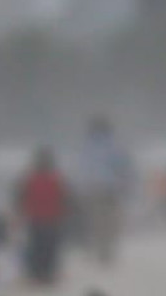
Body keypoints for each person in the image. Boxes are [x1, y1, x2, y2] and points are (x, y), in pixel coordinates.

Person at [72, 116, 133, 266]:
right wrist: (125, 185)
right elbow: (124, 167)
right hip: (110, 190)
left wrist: (79, 189)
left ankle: (97, 249)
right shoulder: (113, 146)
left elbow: (80, 169)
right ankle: (106, 251)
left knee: (94, 222)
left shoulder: (85, 147)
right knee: (110, 223)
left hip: (90, 190)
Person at [16, 148, 70, 286]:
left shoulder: (30, 179)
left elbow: (21, 197)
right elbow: (64, 199)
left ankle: (37, 274)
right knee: (49, 248)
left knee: (37, 247)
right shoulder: (57, 179)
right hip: (51, 219)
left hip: (36, 219)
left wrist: (20, 212)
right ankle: (47, 274)